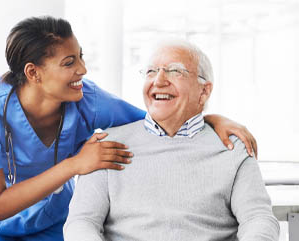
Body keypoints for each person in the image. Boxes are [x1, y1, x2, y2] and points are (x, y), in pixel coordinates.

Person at [0, 16, 257, 241]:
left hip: (50, 221)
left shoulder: (89, 100)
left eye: (81, 56)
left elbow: (160, 117)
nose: (82, 69)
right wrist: (76, 164)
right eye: (69, 62)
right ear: (34, 72)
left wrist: (211, 118)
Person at [64, 40, 279, 241]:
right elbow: (82, 222)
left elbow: (258, 219)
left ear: (204, 91)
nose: (159, 80)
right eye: (151, 71)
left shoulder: (233, 148)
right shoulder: (106, 145)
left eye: (175, 71)